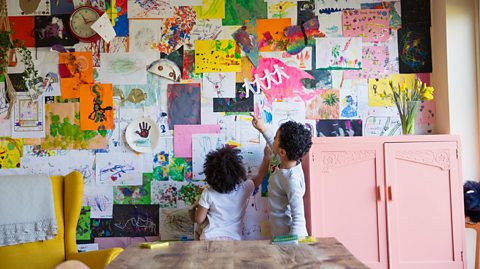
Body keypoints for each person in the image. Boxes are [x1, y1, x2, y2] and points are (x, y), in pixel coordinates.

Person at [251, 115, 312, 237]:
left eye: (275, 138)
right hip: (280, 236)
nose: (273, 139)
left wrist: (293, 246)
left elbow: (299, 219)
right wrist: (263, 129)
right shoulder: (288, 162)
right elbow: (275, 149)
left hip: (287, 239)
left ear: (283, 152)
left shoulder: (291, 179)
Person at [194, 146, 269, 240]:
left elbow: (199, 219)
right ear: (238, 172)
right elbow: (261, 175)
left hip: (209, 238)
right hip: (234, 240)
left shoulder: (208, 193)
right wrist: (267, 156)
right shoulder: (244, 188)